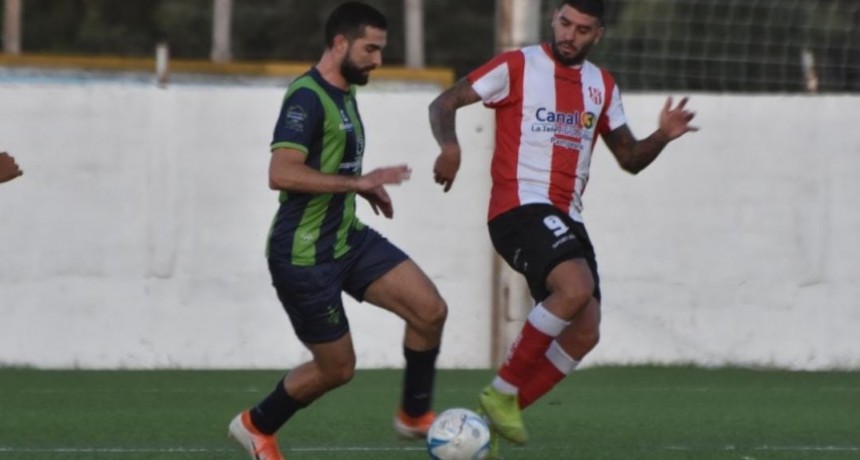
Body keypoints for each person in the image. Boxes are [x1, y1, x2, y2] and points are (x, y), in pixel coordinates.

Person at [428, 0, 697, 456]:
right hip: (517, 207)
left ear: (598, 34)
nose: (570, 34)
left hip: (565, 215)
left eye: (582, 29)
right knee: (575, 287)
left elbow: (629, 158)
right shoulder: (518, 65)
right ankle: (501, 391)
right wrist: (450, 147)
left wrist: (662, 136)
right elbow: (444, 102)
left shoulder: (602, 85)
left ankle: (488, 424)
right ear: (554, 17)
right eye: (565, 23)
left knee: (585, 330)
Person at [228, 3, 447, 459]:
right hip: (304, 256)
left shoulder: (344, 92)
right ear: (340, 43)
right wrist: (357, 183)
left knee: (429, 311)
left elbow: (329, 166)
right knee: (338, 369)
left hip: (347, 238)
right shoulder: (306, 97)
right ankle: (256, 425)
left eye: (381, 50)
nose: (378, 60)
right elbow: (281, 173)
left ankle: (413, 416)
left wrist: (363, 188)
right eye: (370, 49)